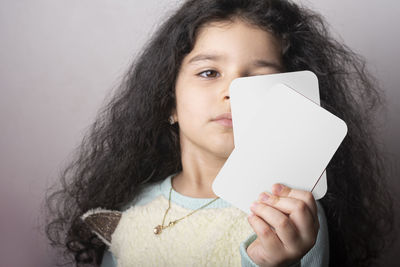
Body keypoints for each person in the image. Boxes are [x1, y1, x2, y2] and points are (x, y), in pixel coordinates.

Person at [45, 0, 395, 266]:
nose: (233, 91)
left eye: (256, 78)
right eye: (210, 72)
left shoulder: (291, 216)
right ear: (169, 102)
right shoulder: (131, 210)